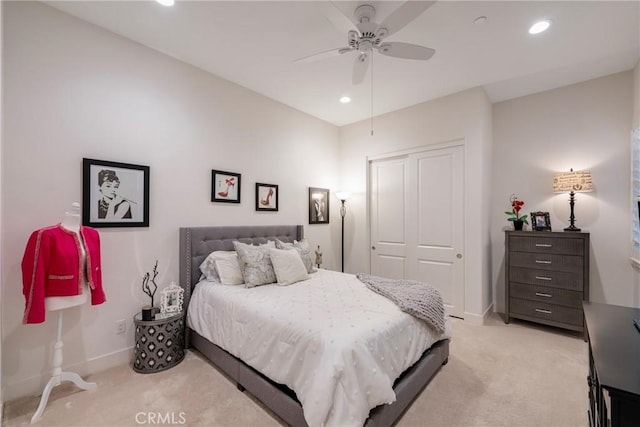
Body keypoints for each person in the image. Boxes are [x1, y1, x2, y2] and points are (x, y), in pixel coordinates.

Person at [21, 203, 106, 324]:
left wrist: (97, 294)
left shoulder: (92, 234)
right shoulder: (46, 235)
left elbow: (97, 268)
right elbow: (34, 272)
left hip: (83, 295)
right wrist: (35, 307)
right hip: (56, 297)